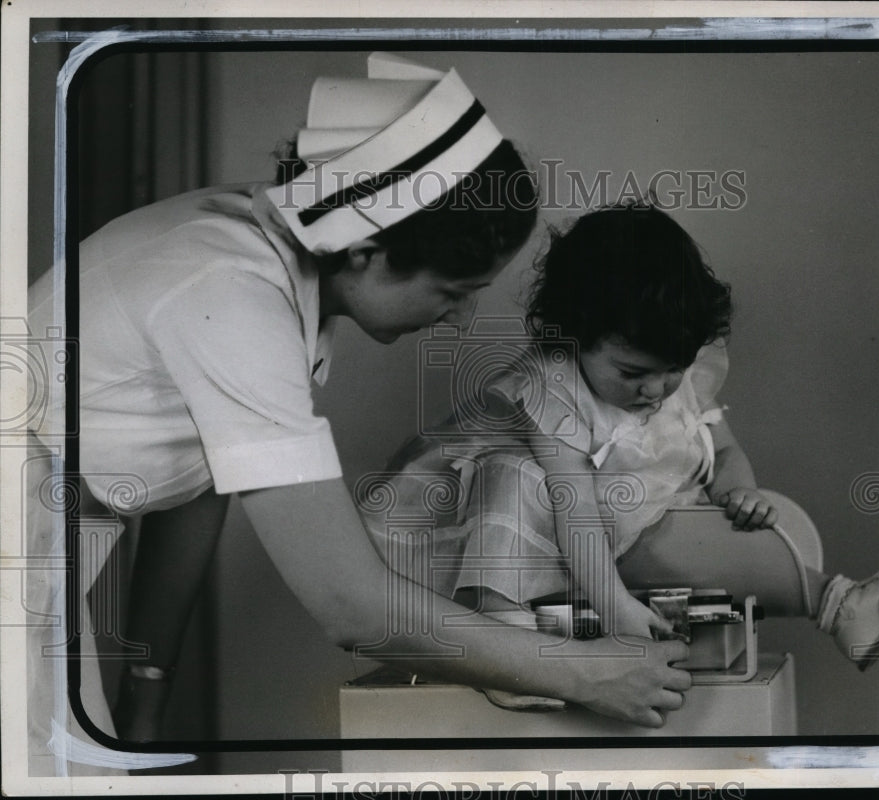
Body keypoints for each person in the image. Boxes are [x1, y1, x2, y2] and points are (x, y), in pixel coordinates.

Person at [24, 54, 691, 776]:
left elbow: (200, 481)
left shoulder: (271, 250)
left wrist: (147, 693)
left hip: (52, 569)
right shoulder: (232, 291)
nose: (463, 316)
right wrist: (580, 673)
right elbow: (350, 603)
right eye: (454, 289)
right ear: (368, 251)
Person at [362, 201, 879, 678]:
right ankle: (510, 639)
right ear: (575, 335)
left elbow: (725, 452)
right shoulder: (552, 384)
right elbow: (575, 507)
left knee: (724, 536)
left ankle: (842, 605)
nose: (656, 389)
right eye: (633, 373)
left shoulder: (674, 375)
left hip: (612, 536)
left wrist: (739, 490)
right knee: (520, 479)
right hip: (515, 526)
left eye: (672, 368)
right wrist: (611, 603)